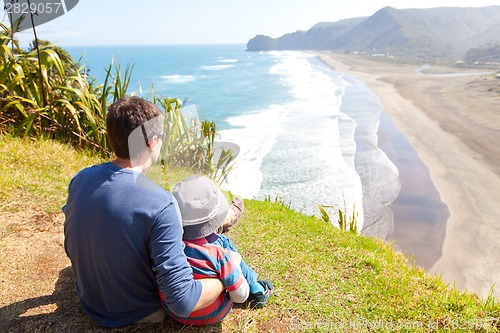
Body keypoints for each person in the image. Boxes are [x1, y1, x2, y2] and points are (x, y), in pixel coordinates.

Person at [63, 96, 224, 328]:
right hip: (140, 313)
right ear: (152, 142)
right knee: (217, 249)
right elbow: (182, 301)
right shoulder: (161, 202)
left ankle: (224, 223)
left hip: (90, 300)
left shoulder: (81, 179)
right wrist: (223, 279)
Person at [161, 175, 274, 326]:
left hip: (173, 313)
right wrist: (234, 265)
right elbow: (240, 296)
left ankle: (225, 223)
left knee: (219, 240)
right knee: (223, 242)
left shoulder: (166, 246)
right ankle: (257, 290)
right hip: (212, 314)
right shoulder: (218, 254)